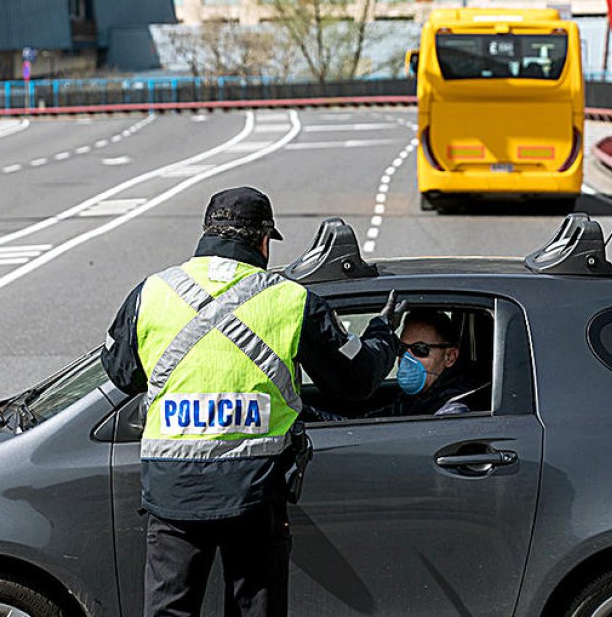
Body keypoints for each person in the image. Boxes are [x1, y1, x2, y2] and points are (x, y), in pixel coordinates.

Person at [101, 186, 401, 617]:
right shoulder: (290, 300)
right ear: (263, 241)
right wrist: (382, 335)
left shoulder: (151, 293)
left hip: (174, 493)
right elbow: (354, 381)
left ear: (207, 232)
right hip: (254, 493)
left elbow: (120, 372)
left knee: (168, 611)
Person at [304, 309, 487, 421]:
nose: (406, 358)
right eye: (401, 348)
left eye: (419, 349)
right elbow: (364, 427)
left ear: (450, 357)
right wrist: (307, 415)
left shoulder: (452, 412)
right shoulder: (414, 402)